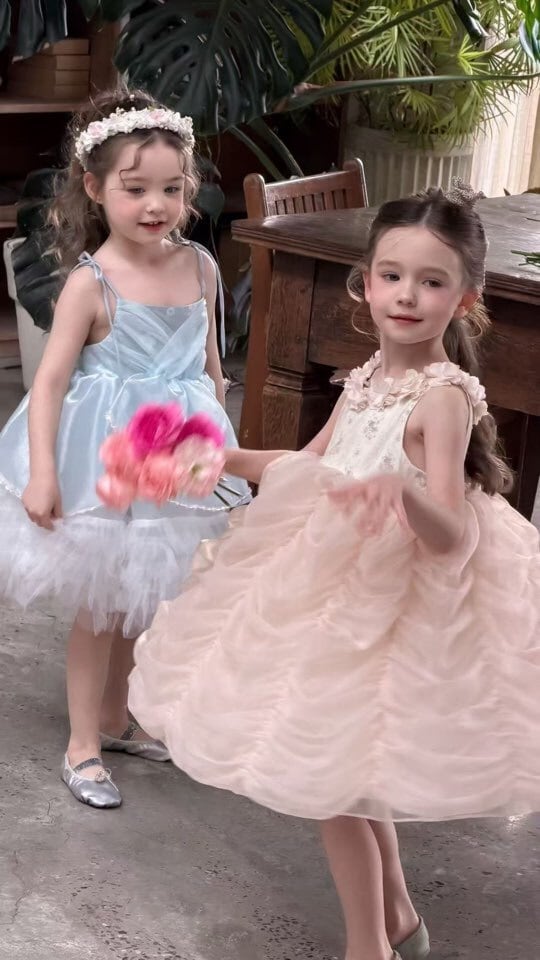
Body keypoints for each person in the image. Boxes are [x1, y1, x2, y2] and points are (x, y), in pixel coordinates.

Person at [129, 183, 540, 959]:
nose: (407, 295)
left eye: (431, 281)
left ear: (465, 299)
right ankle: (398, 921)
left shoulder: (443, 400)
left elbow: (452, 535)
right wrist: (220, 457)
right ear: (366, 284)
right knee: (351, 767)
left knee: (332, 776)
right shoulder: (367, 376)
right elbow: (307, 465)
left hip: (398, 602)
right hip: (335, 590)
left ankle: (368, 947)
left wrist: (401, 493)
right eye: (392, 275)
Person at [0, 88, 250, 809]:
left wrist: (219, 453)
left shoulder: (200, 266)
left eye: (172, 189)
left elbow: (209, 370)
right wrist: (43, 475)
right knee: (100, 607)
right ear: (94, 188)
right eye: (135, 189)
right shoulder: (92, 282)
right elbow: (50, 383)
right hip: (103, 458)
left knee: (144, 599)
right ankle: (81, 743)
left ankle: (117, 717)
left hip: (177, 457)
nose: (155, 205)